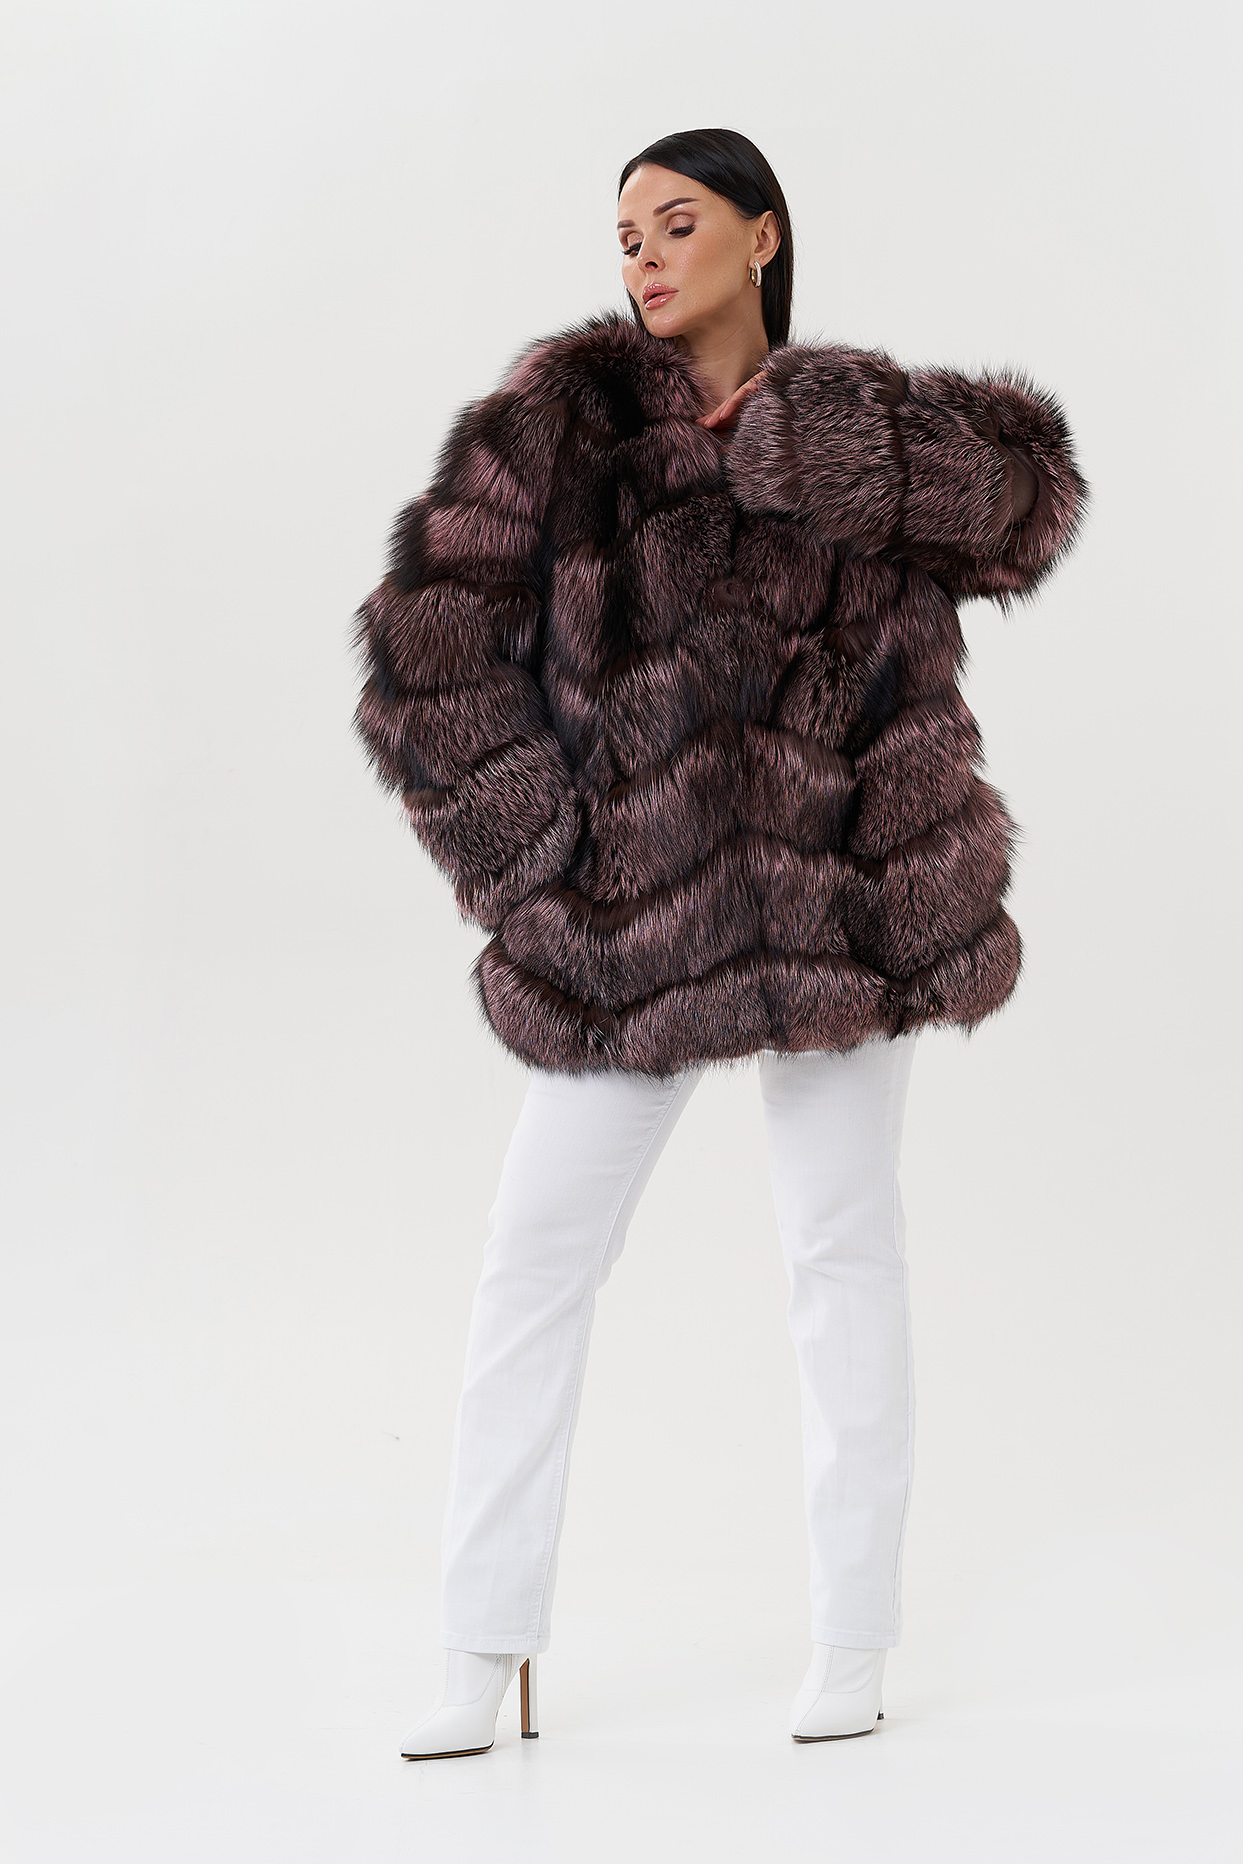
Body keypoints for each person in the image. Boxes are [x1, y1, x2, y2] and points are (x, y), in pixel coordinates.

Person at [352, 126, 1089, 1759]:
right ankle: (482, 1642)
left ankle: (853, 1636)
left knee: (844, 1252)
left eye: (675, 224)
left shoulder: (858, 432)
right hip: (631, 921)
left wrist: (821, 441)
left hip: (847, 903)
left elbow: (1028, 508)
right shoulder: (561, 427)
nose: (642, 257)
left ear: (764, 235)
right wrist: (544, 859)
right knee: (536, 1259)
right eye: (624, 235)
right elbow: (425, 650)